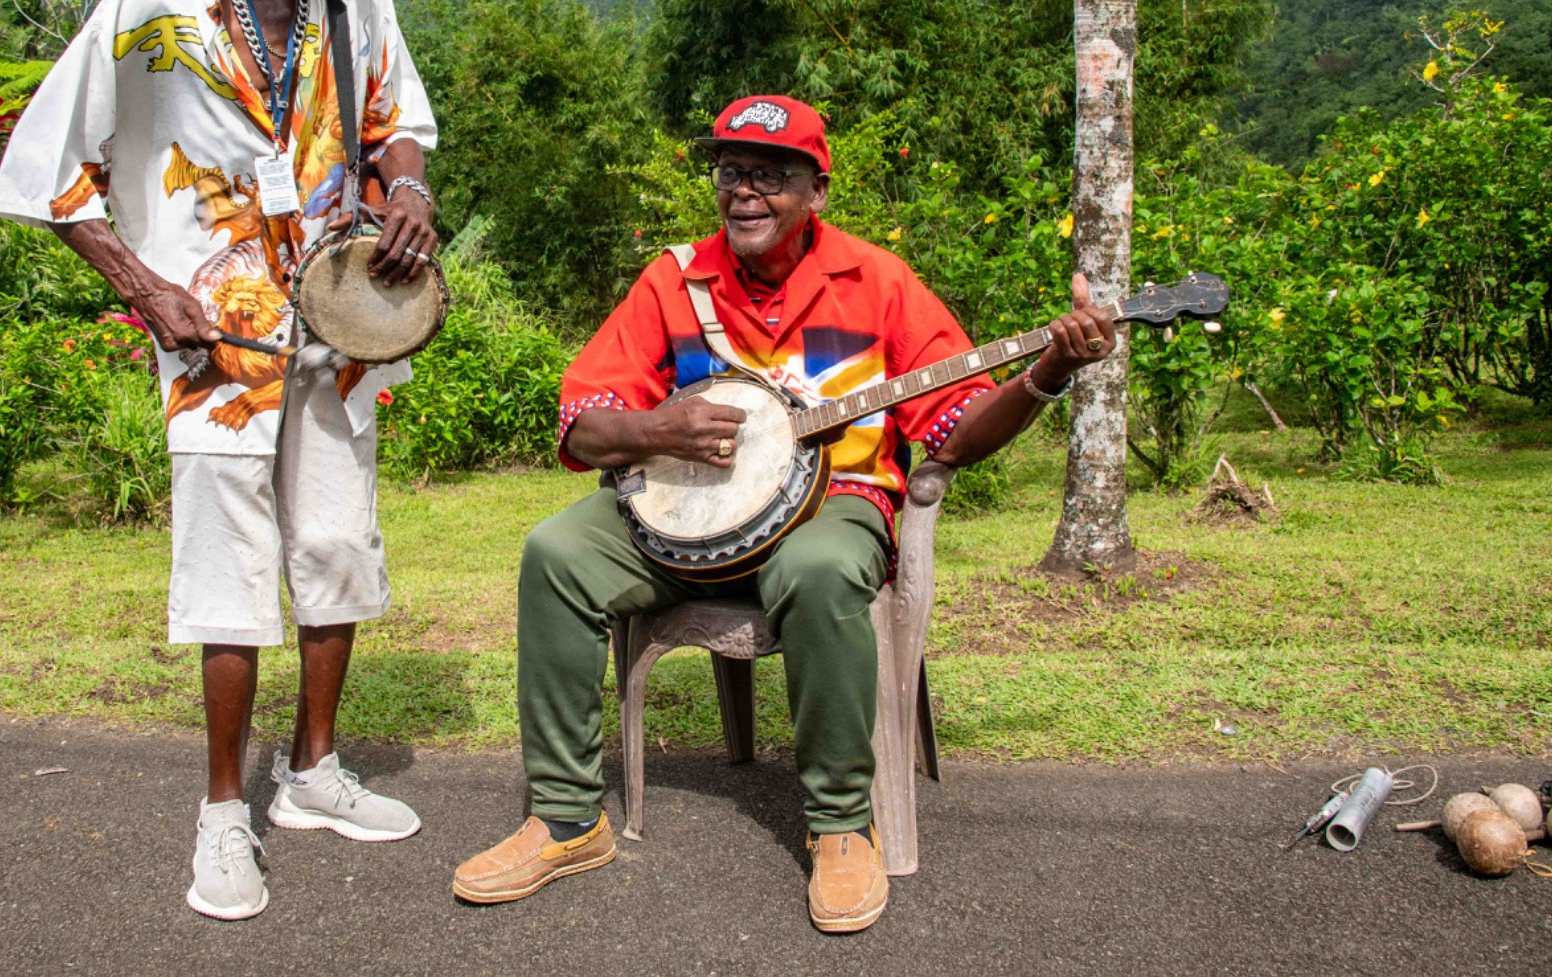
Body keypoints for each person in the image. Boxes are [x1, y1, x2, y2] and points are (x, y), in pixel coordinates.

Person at [450, 95, 1117, 933]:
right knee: (555, 550)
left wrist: (1047, 372)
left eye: (773, 175)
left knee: (817, 566)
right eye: (732, 173)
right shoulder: (676, 279)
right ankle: (566, 821)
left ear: (817, 190)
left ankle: (841, 827)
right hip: (684, 519)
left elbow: (954, 430)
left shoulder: (879, 284)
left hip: (837, 505)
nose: (746, 193)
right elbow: (583, 424)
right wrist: (660, 428)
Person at [0, 0, 439, 922]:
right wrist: (144, 288)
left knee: (336, 547)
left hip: (338, 331)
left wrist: (408, 194)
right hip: (216, 346)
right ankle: (222, 816)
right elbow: (55, 180)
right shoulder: (148, 4)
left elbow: (398, 120)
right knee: (227, 579)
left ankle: (313, 772)